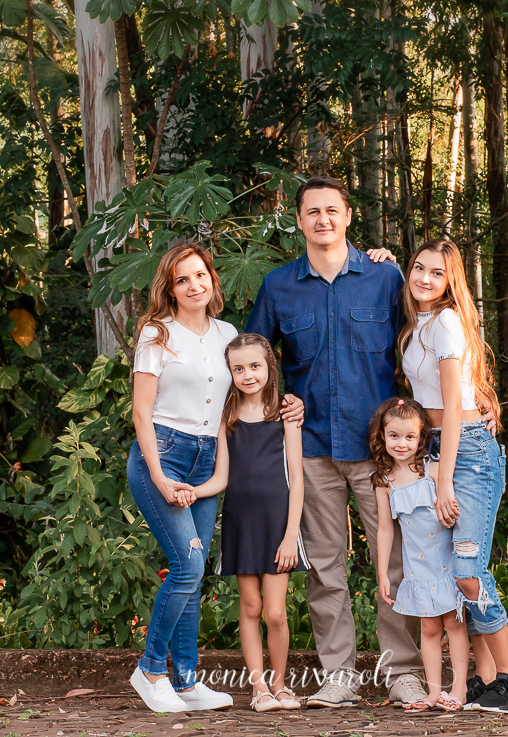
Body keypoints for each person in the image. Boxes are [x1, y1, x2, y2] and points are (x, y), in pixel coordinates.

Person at [245, 176, 425, 708]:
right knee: (326, 568)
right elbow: (255, 357)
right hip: (313, 450)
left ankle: (403, 673)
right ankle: (339, 676)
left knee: (393, 565)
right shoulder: (278, 286)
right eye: (312, 212)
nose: (323, 219)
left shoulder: (386, 277)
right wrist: (279, 403)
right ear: (298, 221)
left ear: (348, 217)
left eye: (332, 210)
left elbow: (416, 354)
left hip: (379, 452)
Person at [127, 242, 302, 713]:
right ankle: (151, 670)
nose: (193, 285)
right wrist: (161, 477)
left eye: (200, 275)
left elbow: (250, 387)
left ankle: (185, 680)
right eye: (182, 279)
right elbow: (142, 414)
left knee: (196, 571)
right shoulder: (156, 334)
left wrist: (291, 405)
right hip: (162, 452)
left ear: (212, 280)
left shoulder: (226, 333)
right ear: (170, 287)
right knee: (186, 564)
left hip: (207, 458)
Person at [399, 237, 508, 712]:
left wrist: (445, 479)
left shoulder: (447, 322)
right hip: (438, 450)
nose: (424, 279)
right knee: (456, 574)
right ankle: (486, 679)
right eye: (418, 268)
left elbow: (454, 406)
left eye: (436, 273)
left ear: (451, 282)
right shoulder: (421, 323)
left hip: (467, 453)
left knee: (470, 573)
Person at [188, 333, 307, 712]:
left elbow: (297, 477)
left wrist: (291, 536)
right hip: (241, 521)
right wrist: (193, 491)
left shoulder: (284, 411)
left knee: (274, 611)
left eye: (254, 366)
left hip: (278, 524)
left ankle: (281, 684)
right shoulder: (227, 415)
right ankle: (259, 690)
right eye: (238, 368)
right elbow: (221, 477)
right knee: (251, 606)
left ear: (269, 366)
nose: (247, 374)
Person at [371, 398, 469, 712]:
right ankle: (432, 693)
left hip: (445, 560)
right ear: (382, 437)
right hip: (417, 567)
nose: (402, 443)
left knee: (453, 624)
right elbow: (385, 529)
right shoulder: (383, 481)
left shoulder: (434, 468)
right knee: (428, 628)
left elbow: (459, 509)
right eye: (394, 436)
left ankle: (460, 688)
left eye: (409, 437)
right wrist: (383, 573)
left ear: (421, 437)